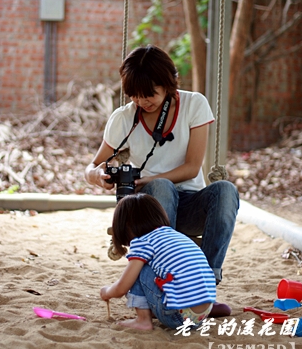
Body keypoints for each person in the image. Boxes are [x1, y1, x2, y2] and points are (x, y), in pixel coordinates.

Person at [85, 45, 239, 286]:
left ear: (168, 84)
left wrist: (146, 179)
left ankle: (206, 280)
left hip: (188, 203)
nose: (141, 101)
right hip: (146, 211)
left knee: (226, 190)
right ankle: (163, 279)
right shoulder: (124, 118)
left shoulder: (194, 104)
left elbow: (191, 168)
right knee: (161, 188)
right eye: (134, 94)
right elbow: (93, 165)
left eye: (149, 94)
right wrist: (96, 175)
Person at [100, 193, 216, 330]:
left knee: (139, 268)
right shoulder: (176, 236)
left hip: (178, 317)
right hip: (202, 316)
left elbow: (122, 287)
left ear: (126, 225)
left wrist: (107, 292)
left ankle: (143, 320)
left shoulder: (143, 242)